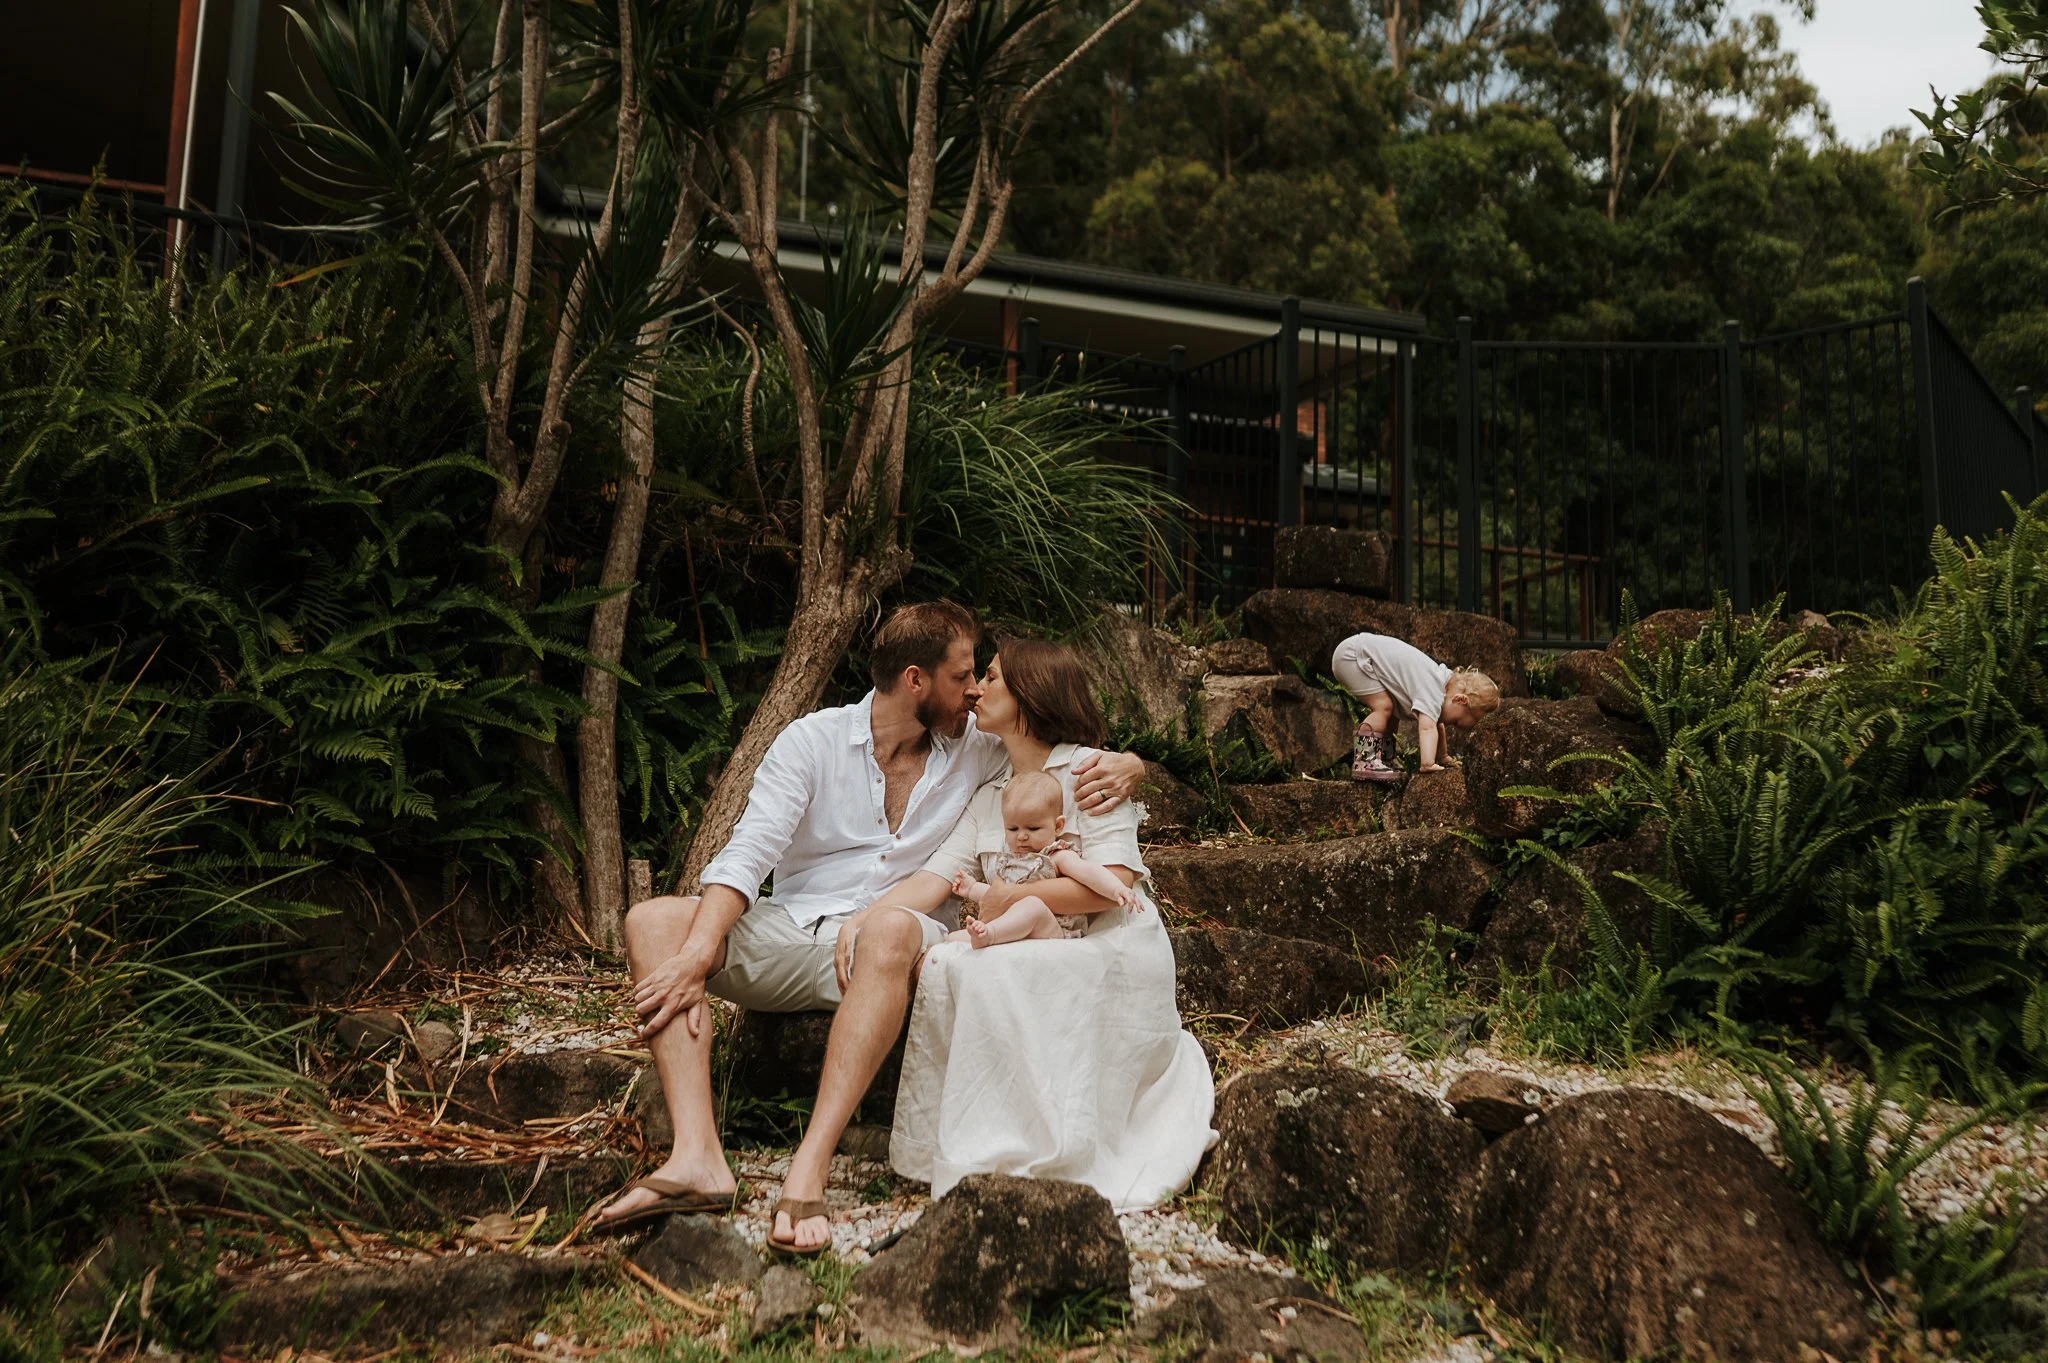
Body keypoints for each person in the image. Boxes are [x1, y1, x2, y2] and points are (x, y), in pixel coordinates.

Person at [593, 602, 1147, 1254]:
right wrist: (699, 948)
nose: (974, 690)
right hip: (799, 931)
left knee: (887, 926)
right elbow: (747, 853)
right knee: (653, 921)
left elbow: (1057, 749)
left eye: (981, 677)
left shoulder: (980, 749)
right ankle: (697, 1156)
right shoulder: (811, 740)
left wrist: (1137, 763)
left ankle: (810, 1165)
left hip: (898, 947)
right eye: (962, 675)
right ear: (916, 680)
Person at [869, 638, 1216, 1212]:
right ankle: (985, 1140)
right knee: (955, 962)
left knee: (999, 968)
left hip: (1107, 934)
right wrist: (867, 921)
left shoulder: (1090, 773)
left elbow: (1112, 885)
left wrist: (1014, 894)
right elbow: (935, 878)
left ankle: (1052, 1137)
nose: (977, 688)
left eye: (995, 678)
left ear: (1030, 696)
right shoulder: (988, 794)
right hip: (1022, 930)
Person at [944, 770, 1140, 948]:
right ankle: (987, 935)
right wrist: (971, 888)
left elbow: (1088, 872)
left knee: (1033, 905)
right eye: (1013, 829)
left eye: (1033, 828)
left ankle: (991, 935)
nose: (1021, 836)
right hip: (1016, 931)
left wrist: (1116, 888)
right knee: (951, 940)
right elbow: (998, 895)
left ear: (1058, 826)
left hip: (1053, 930)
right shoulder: (1010, 861)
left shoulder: (1056, 856)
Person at [1331, 631, 1500, 783]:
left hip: (1359, 653)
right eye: (1456, 721)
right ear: (1461, 700)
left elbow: (1437, 725)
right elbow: (1427, 728)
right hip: (1353, 656)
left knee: (1391, 713)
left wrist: (1443, 757)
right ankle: (1365, 761)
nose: (1450, 724)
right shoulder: (1432, 689)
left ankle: (1384, 758)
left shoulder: (1442, 686)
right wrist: (1428, 763)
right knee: (1383, 707)